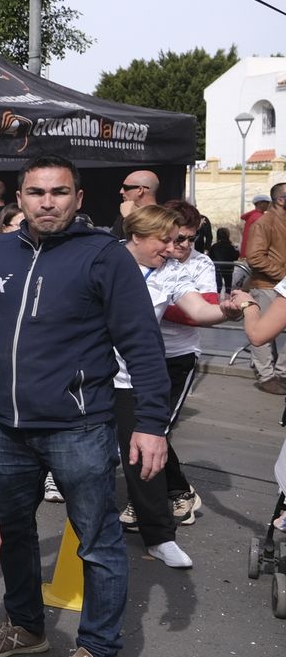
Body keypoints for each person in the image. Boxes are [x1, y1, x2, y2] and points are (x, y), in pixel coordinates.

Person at [0, 154, 170, 657]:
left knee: (98, 542)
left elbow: (143, 344)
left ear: (78, 199)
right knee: (12, 530)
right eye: (36, 193)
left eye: (59, 193)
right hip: (6, 426)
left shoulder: (103, 256)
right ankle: (27, 626)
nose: (47, 202)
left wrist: (150, 422)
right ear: (20, 198)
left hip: (79, 427)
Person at [110, 204, 238, 568]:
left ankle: (160, 537)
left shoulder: (171, 272)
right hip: (87, 375)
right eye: (163, 240)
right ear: (136, 237)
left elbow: (199, 311)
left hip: (132, 379)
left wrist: (227, 310)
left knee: (145, 455)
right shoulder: (104, 260)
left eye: (176, 240)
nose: (171, 248)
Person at [243, 182, 286, 395]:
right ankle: (266, 376)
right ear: (280, 199)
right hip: (268, 285)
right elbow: (255, 257)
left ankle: (281, 373)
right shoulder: (264, 222)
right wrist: (283, 276)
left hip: (280, 286)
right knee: (262, 334)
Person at [109, 169, 159, 239]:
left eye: (126, 187)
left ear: (140, 190)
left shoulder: (165, 218)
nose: (121, 191)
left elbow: (149, 242)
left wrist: (130, 218)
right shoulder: (123, 216)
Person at [210, 226, 239, 294]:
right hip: (228, 268)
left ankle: (217, 301)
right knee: (228, 287)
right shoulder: (230, 247)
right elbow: (235, 257)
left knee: (218, 287)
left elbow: (210, 257)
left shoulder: (214, 246)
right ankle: (227, 301)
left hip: (218, 269)